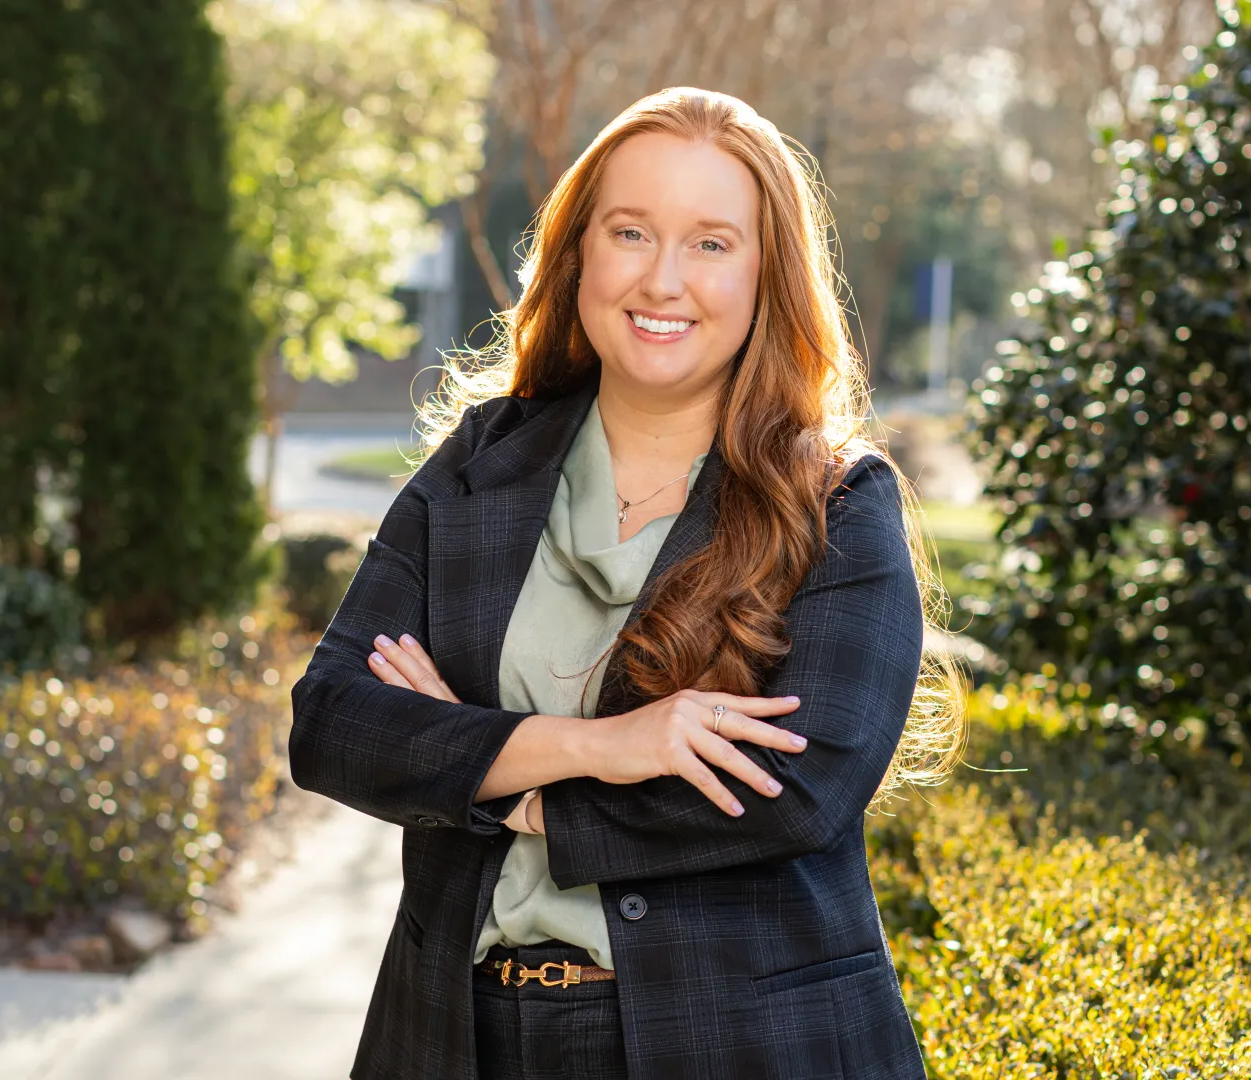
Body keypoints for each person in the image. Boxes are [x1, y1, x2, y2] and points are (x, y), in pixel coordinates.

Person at [289, 85, 963, 1080]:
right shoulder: (478, 468)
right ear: (580, 252)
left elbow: (795, 791)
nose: (662, 279)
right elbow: (334, 726)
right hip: (455, 1037)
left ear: (768, 273)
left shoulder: (837, 505)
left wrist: (498, 789)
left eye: (710, 243)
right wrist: (608, 748)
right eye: (631, 231)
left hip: (741, 1047)